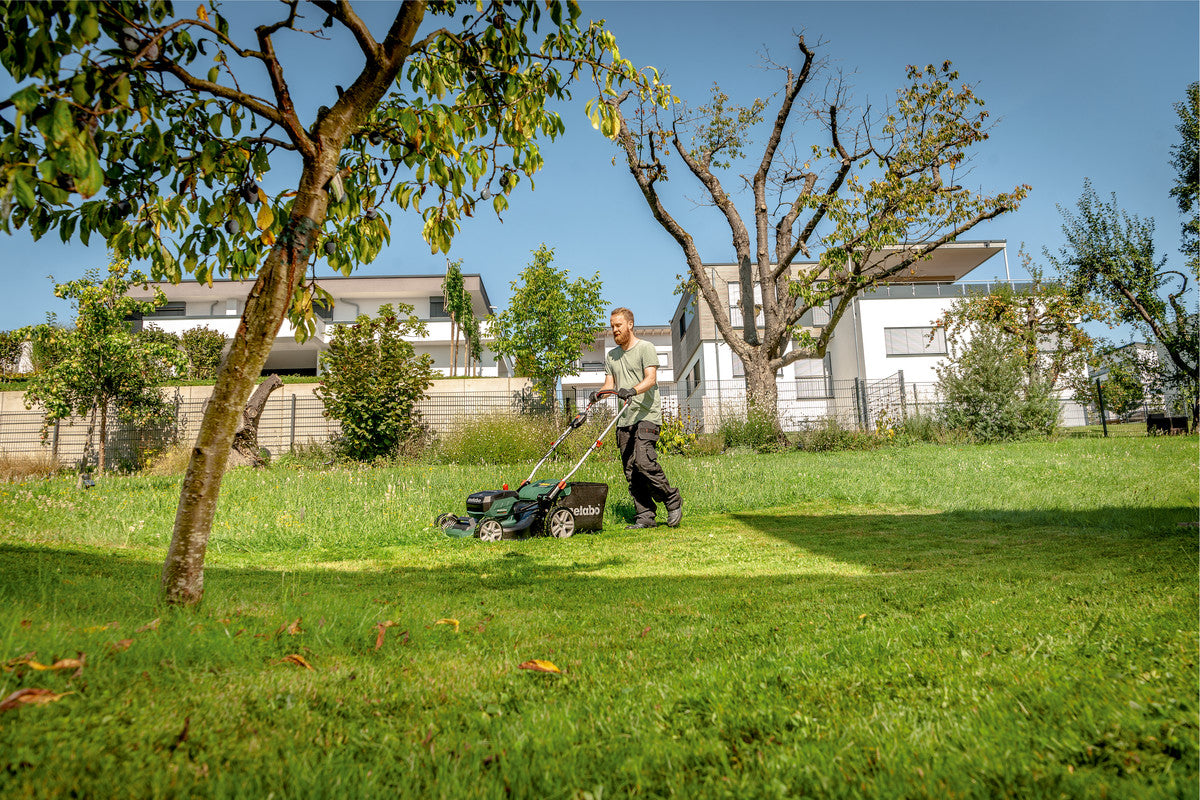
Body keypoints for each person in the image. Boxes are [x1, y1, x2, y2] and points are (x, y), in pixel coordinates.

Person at [591, 307, 682, 529]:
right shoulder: (612, 356)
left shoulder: (645, 348)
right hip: (625, 419)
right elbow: (609, 385)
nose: (614, 329)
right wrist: (598, 395)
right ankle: (645, 516)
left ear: (630, 325)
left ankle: (671, 499)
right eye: (612, 326)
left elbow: (650, 379)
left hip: (647, 415)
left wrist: (632, 390)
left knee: (643, 461)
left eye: (618, 325)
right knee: (631, 471)